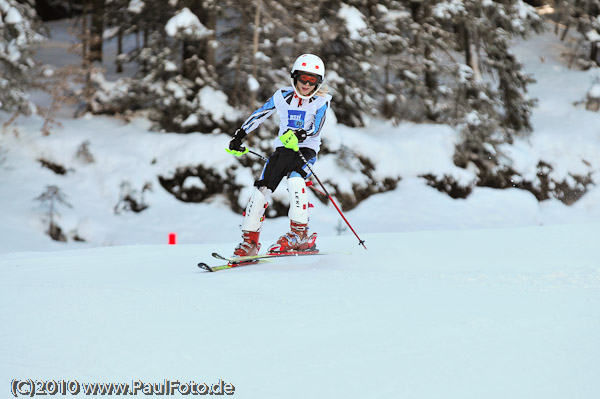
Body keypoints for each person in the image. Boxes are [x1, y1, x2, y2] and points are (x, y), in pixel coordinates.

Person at [226, 54, 332, 257]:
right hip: (283, 150)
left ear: (319, 83)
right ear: (294, 77)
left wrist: (302, 134)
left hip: (305, 150)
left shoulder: (320, 102)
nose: (307, 84)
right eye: (303, 78)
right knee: (261, 189)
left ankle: (300, 235)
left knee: (295, 180)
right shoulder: (282, 96)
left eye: (313, 80)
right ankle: (250, 243)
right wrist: (240, 134)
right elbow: (259, 114)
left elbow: (316, 127)